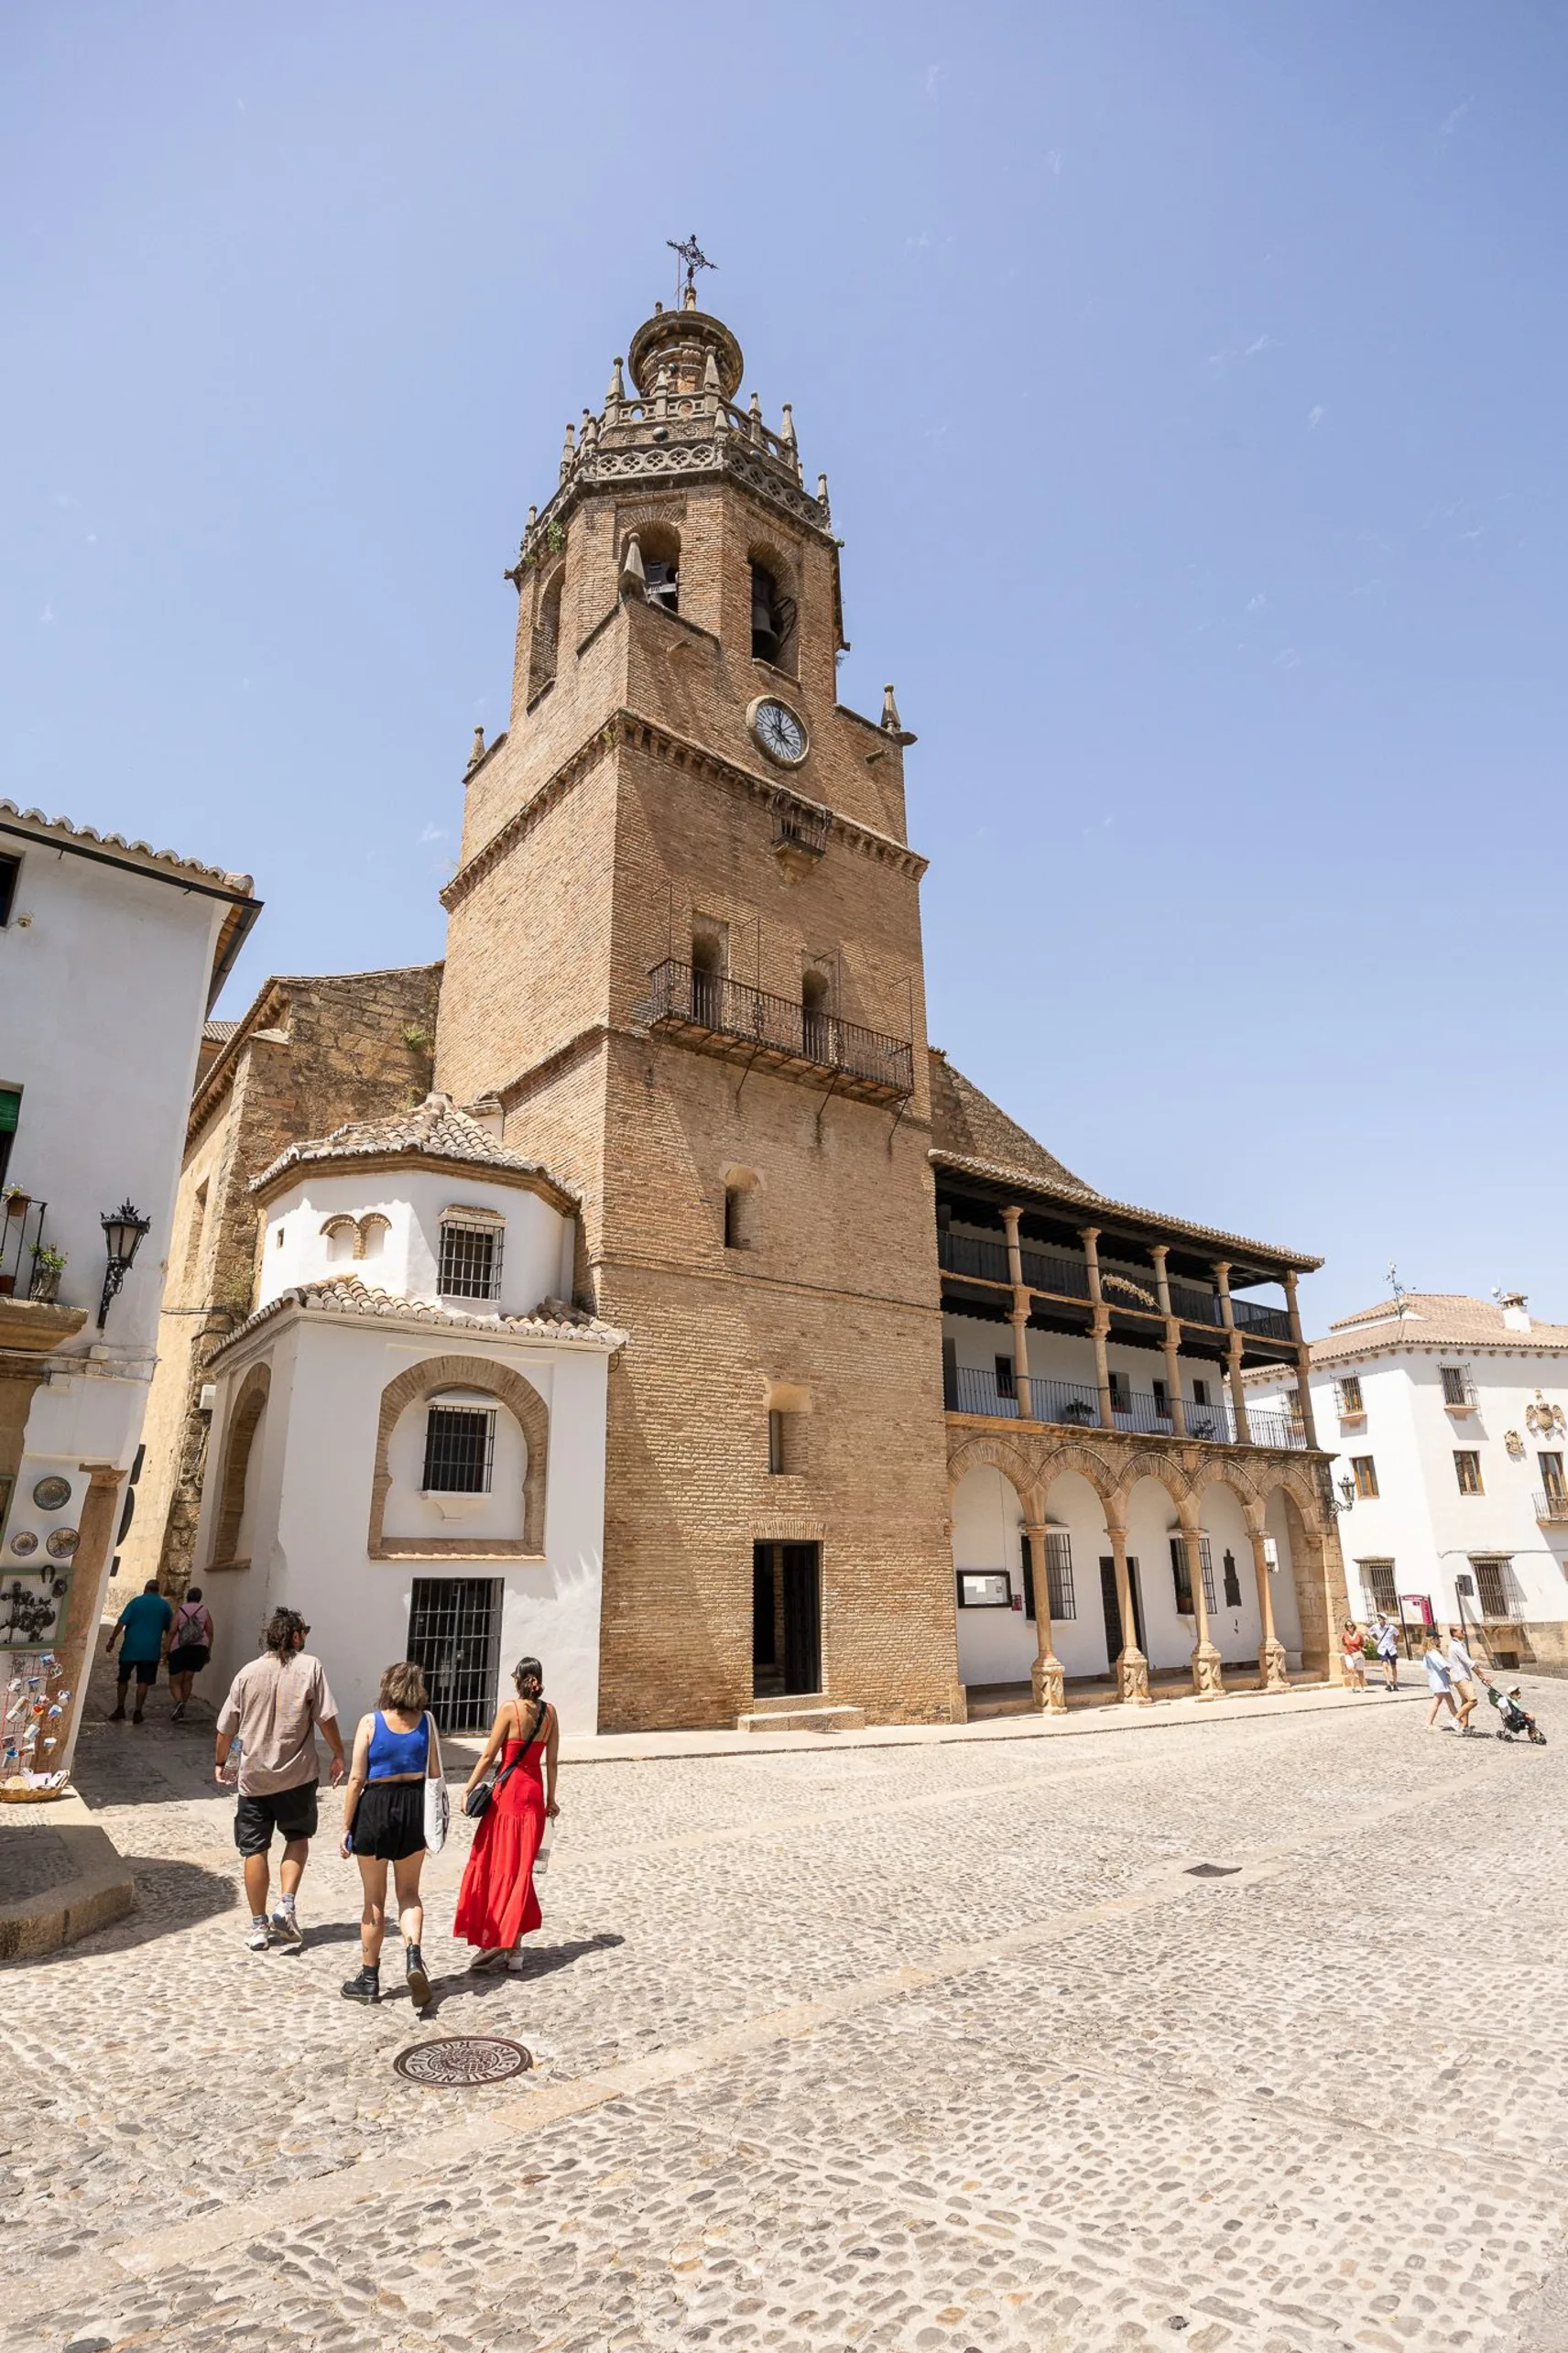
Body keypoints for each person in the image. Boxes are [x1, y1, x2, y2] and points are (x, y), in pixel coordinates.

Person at [213, 1607, 346, 1953]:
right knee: (298, 1838)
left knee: (254, 1848)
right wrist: (338, 1753)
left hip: (254, 1778)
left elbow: (226, 1727)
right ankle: (285, 1905)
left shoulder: (247, 1673)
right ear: (296, 1635)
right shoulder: (310, 1667)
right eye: (305, 1630)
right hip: (298, 1775)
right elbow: (326, 1717)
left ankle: (258, 1926)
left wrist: (220, 1762)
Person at [338, 1660, 442, 2010]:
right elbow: (435, 1775)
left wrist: (345, 1827)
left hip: (376, 1808)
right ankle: (413, 1957)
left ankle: (369, 1978)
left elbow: (356, 1780)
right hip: (414, 1807)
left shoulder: (370, 1723)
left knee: (373, 1899)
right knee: (410, 1893)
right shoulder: (427, 1722)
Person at [454, 1655, 560, 1973]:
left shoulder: (509, 1710)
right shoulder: (551, 1713)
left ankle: (502, 1937)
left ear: (520, 1680)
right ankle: (516, 1951)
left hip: (509, 1796)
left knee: (498, 1863)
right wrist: (551, 1799)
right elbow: (551, 1762)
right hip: (534, 1795)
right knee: (520, 1870)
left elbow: (488, 1755)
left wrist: (467, 1788)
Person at [105, 1578, 174, 1723]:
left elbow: (121, 1622)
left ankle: (120, 1708)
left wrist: (112, 1640)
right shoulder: (164, 1606)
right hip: (151, 1651)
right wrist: (166, 1649)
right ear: (158, 1590)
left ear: (145, 1589)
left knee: (123, 1679)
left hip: (130, 1648)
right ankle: (138, 1711)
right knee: (143, 1682)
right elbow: (170, 1629)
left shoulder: (135, 1602)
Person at [167, 1585, 214, 1721]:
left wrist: (166, 1649)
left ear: (188, 1596)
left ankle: (179, 1702)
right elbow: (210, 1631)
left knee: (174, 1681)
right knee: (188, 1679)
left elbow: (172, 1631)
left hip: (180, 1647)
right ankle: (183, 1705)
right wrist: (208, 1649)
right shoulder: (204, 1610)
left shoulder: (181, 1610)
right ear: (199, 1598)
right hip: (199, 1648)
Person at [1445, 1625, 1479, 1735]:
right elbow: (1469, 1662)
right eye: (1461, 1631)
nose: (1464, 1632)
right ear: (1454, 1633)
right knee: (1473, 1701)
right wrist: (1482, 1675)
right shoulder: (1456, 1646)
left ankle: (1465, 1727)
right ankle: (1455, 1720)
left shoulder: (1459, 1644)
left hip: (1459, 1676)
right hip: (1461, 1677)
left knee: (1465, 1702)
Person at [1421, 1629, 1457, 1730]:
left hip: (1438, 1679)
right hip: (1439, 1680)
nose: (1439, 1640)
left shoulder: (1429, 1652)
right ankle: (1429, 1723)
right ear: (1434, 1639)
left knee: (1450, 1701)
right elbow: (1443, 1665)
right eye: (1438, 1638)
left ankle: (1459, 1721)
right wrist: (1452, 1669)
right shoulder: (1433, 1652)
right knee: (1437, 1701)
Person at [1370, 1611, 1401, 1692]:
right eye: (1378, 1618)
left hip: (1391, 1649)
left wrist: (1396, 1644)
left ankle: (1395, 1684)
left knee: (1393, 1667)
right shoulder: (1376, 1627)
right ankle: (1388, 1684)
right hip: (1382, 1649)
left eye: (1380, 1618)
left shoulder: (1391, 1627)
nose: (1379, 1619)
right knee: (1385, 1666)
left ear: (1384, 1619)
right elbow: (1368, 1632)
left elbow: (1398, 1634)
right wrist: (1374, 1640)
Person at [1340, 1619, 1367, 1691]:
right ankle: (1353, 1687)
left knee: (1360, 1671)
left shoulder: (1358, 1635)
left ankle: (1362, 1687)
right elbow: (1343, 1643)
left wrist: (1362, 1648)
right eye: (1348, 1626)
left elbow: (1363, 1643)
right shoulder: (1344, 1635)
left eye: (1351, 1625)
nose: (1349, 1627)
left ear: (1353, 1626)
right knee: (1351, 1669)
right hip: (1348, 1654)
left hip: (1357, 1654)